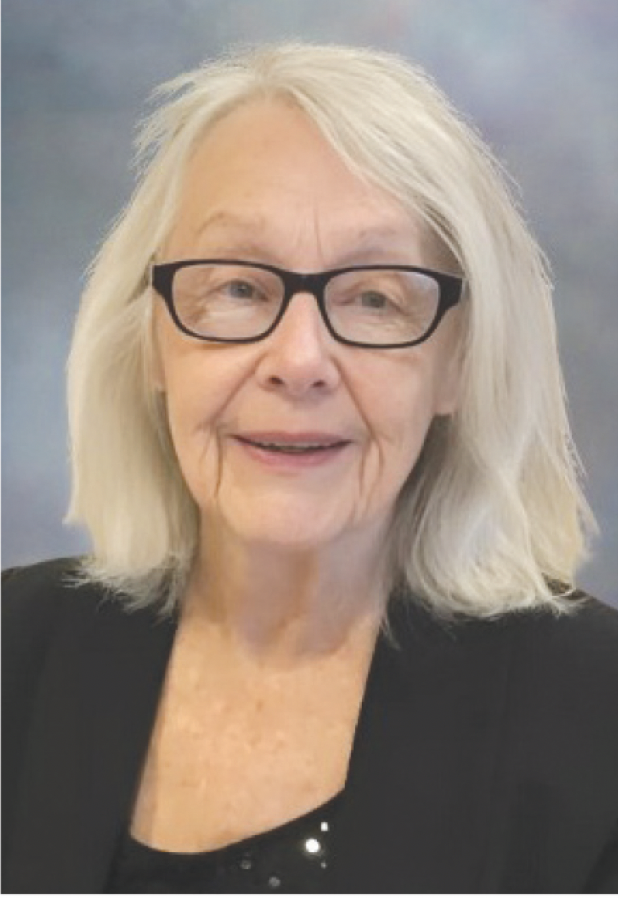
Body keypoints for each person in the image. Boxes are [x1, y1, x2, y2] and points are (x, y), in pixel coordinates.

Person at [3, 42, 617, 893]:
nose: (298, 359)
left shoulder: (598, 719)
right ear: (153, 340)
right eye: (240, 288)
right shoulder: (14, 649)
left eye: (374, 297)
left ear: (456, 364)